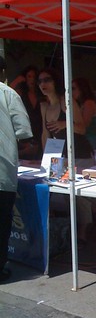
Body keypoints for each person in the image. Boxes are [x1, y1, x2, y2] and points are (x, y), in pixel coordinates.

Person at [38, 68, 94, 245]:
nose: (43, 84)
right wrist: (44, 158)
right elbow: (44, 134)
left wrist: (64, 124)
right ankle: (71, 228)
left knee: (79, 193)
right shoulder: (44, 106)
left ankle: (84, 231)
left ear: (55, 82)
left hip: (79, 152)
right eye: (40, 81)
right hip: (57, 155)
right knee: (61, 193)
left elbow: (81, 128)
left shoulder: (66, 102)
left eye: (47, 80)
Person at [0, 56, 33, 282]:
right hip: (2, 171)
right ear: (3, 72)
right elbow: (23, 131)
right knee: (2, 223)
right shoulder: (8, 94)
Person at [10, 65, 44, 160]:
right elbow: (7, 93)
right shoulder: (21, 93)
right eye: (29, 76)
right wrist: (17, 80)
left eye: (34, 76)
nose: (32, 79)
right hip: (25, 135)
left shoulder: (41, 95)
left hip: (40, 133)